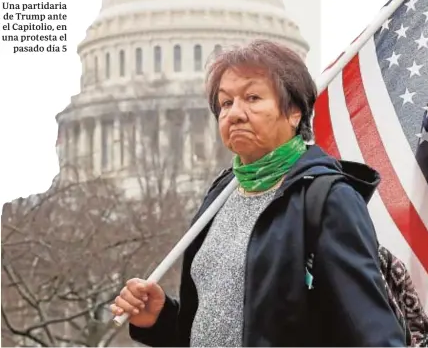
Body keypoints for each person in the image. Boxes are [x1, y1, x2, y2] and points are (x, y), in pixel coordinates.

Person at [111, 40, 407, 347]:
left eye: (252, 98)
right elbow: (218, 330)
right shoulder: (220, 195)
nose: (234, 114)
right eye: (225, 103)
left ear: (294, 112)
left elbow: (370, 331)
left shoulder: (327, 198)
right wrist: (160, 319)